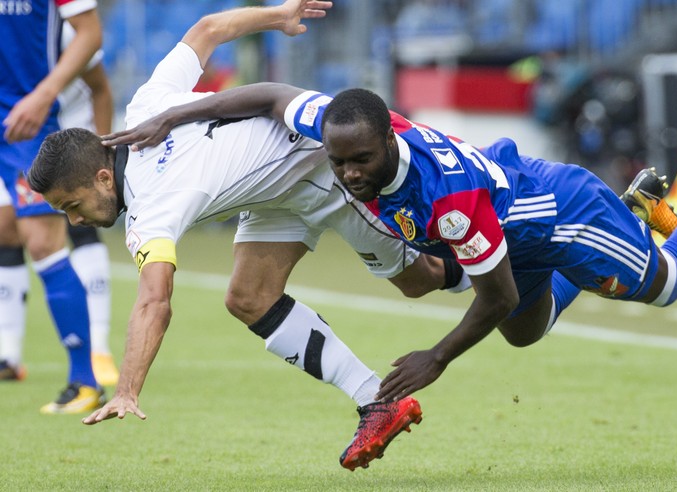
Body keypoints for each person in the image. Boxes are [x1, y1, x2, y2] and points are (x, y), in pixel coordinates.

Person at [101, 81, 677, 404]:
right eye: (339, 161)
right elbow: (264, 95)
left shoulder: (446, 204)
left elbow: (495, 292)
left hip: (554, 212)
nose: (349, 174)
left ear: (390, 141)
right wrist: (175, 119)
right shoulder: (336, 121)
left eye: (360, 161)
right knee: (525, 335)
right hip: (508, 219)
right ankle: (636, 213)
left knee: (665, 282)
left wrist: (436, 358)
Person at [28, 1, 472, 472]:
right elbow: (206, 29)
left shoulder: (152, 210)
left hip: (323, 171)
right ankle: (376, 402)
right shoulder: (145, 105)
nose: (74, 221)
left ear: (102, 177)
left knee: (419, 279)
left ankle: (502, 267)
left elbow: (153, 301)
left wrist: (127, 389)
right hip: (274, 193)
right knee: (249, 297)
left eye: (72, 206)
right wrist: (276, 15)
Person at [0, 21, 120, 388]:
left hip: (56, 141)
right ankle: (7, 354)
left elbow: (100, 88)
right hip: (15, 137)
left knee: (63, 233)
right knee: (6, 232)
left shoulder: (63, 33)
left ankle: (93, 358)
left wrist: (104, 152)